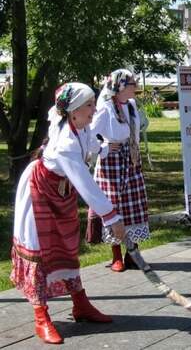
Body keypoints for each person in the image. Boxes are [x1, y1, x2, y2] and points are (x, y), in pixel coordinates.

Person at [10, 83, 125, 344]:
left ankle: (80, 305)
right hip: (39, 191)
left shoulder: (78, 125)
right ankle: (41, 317)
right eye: (89, 105)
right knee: (39, 250)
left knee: (67, 246)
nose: (94, 109)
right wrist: (111, 217)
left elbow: (92, 145)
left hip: (61, 193)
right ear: (73, 110)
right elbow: (85, 181)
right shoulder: (64, 143)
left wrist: (104, 148)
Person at [87, 69, 150, 272]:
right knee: (112, 206)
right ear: (121, 87)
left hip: (131, 160)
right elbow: (89, 135)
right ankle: (116, 257)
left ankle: (132, 255)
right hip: (112, 163)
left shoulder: (131, 105)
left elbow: (137, 131)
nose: (136, 87)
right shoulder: (105, 108)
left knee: (134, 206)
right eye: (132, 84)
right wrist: (104, 147)